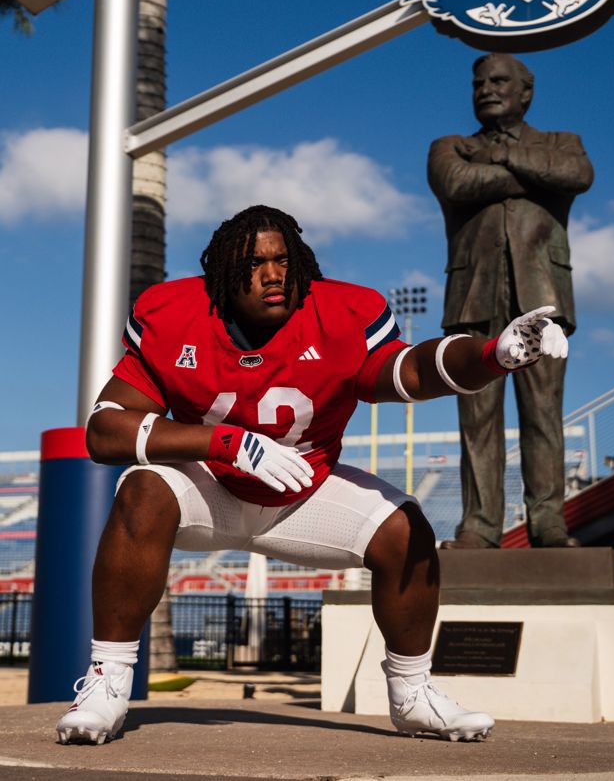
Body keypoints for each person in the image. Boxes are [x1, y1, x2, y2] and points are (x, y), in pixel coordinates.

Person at [55, 205, 567, 746]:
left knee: (406, 530)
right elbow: (105, 432)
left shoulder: (341, 312)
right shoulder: (176, 314)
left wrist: (491, 355)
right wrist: (226, 442)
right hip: (209, 487)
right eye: (253, 264)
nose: (273, 275)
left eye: (282, 260)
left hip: (304, 490)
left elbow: (411, 369)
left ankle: (413, 695)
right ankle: (108, 683)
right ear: (222, 275)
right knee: (142, 489)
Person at [428, 53, 593, 550]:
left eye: (499, 81)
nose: (486, 89)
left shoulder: (562, 143)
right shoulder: (448, 147)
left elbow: (577, 174)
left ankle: (548, 522)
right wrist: (534, 173)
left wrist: (498, 158)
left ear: (526, 91)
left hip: (542, 297)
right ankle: (479, 526)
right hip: (472, 299)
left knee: (543, 412)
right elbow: (457, 183)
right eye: (478, 82)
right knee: (477, 417)